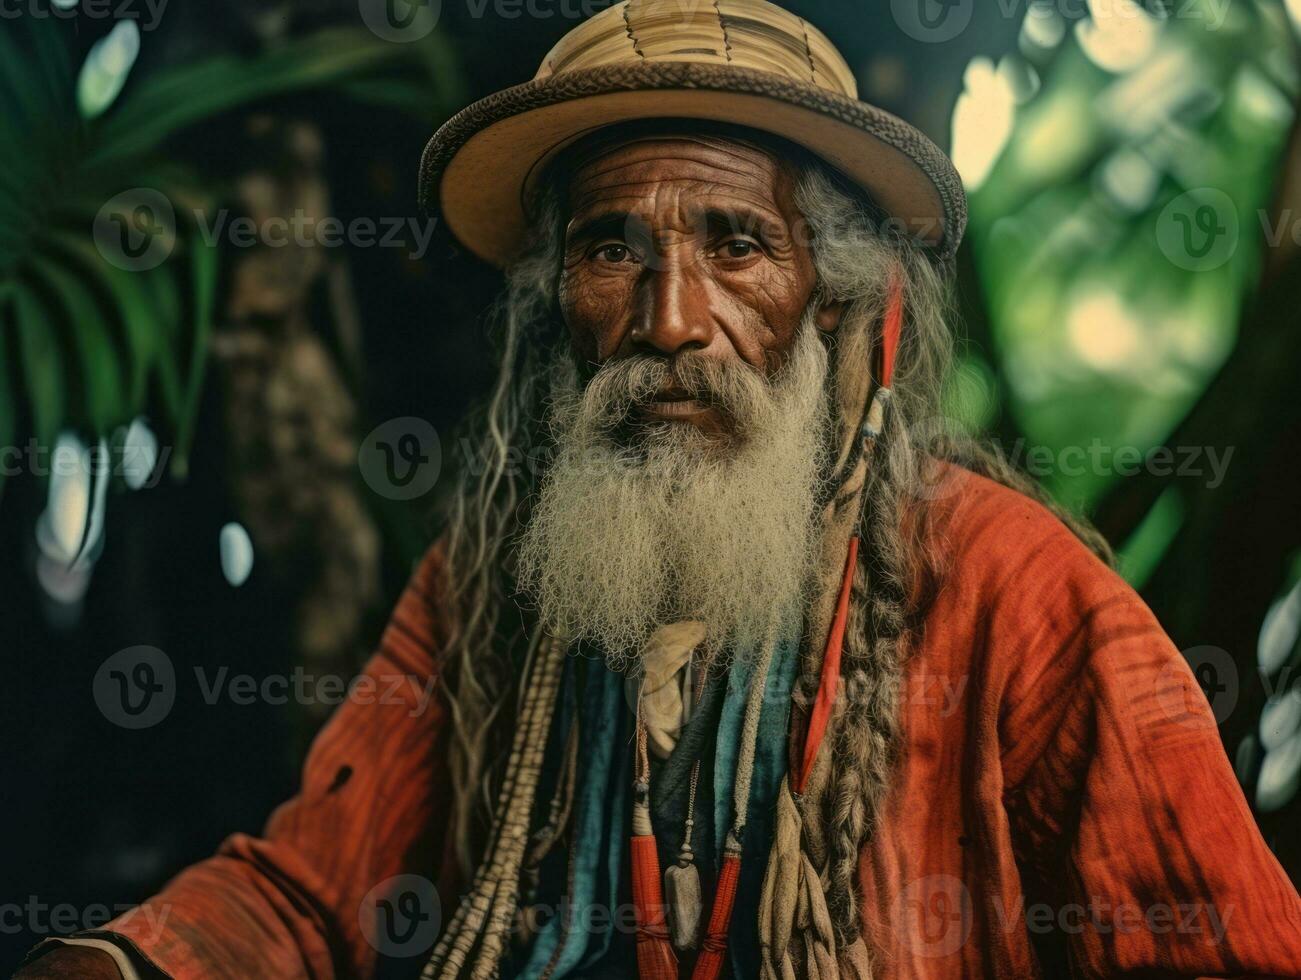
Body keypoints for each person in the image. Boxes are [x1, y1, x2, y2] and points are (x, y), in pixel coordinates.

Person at [19, 1, 1301, 977]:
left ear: (837, 297)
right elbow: (311, 892)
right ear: (554, 314)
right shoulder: (495, 582)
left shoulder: (1018, 595)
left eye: (735, 244)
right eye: (609, 249)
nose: (669, 319)